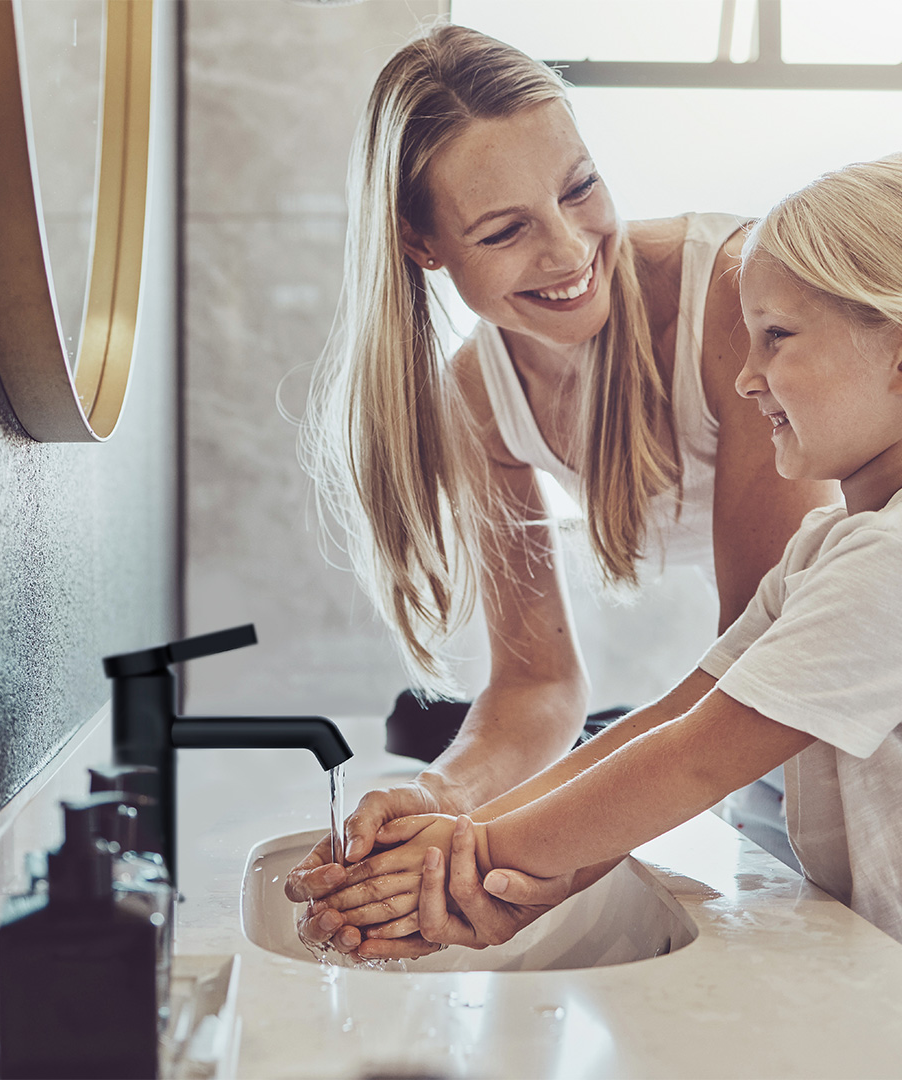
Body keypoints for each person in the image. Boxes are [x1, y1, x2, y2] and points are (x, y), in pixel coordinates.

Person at [299, 151, 902, 1048]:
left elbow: (697, 761)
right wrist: (466, 826)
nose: (743, 378)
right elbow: (680, 712)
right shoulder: (840, 542)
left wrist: (469, 861)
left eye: (776, 338)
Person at [286, 21, 834, 956]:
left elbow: (760, 663)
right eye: (504, 230)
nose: (571, 247)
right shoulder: (479, 396)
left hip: (869, 728)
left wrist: (493, 845)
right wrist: (442, 797)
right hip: (773, 754)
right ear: (422, 246)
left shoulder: (736, 301)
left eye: (579, 186)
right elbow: (538, 684)